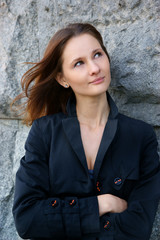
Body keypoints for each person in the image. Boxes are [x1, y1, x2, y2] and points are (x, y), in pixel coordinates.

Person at [12, 23, 160, 240]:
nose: (94, 68)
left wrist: (63, 218)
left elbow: (138, 227)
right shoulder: (45, 133)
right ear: (63, 79)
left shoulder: (141, 137)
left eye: (97, 54)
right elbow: (27, 220)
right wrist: (101, 204)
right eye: (79, 63)